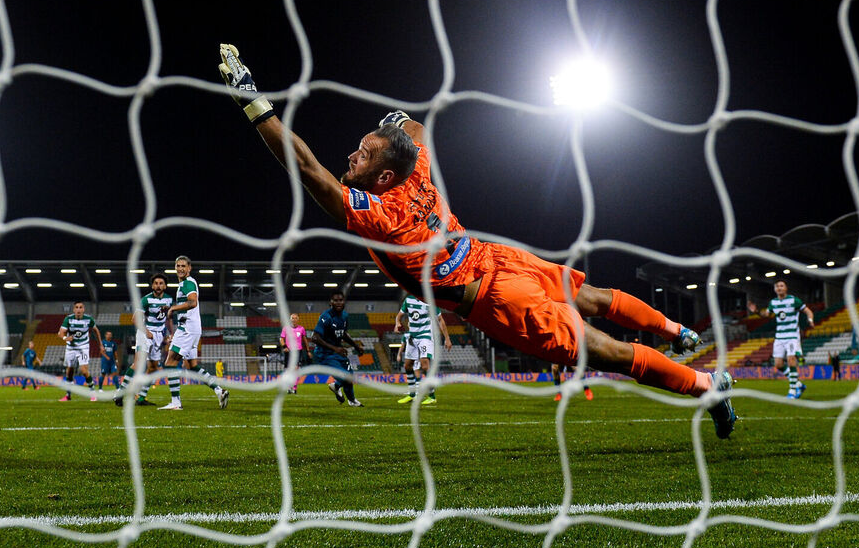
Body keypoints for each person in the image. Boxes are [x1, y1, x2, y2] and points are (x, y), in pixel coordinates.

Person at [216, 43, 736, 437]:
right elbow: (416, 132)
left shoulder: (380, 217)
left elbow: (307, 169)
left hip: (495, 294)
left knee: (603, 351)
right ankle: (675, 331)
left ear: (381, 179)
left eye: (363, 153)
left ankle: (706, 387)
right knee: (593, 298)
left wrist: (250, 98)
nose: (351, 156)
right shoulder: (417, 171)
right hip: (495, 254)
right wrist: (394, 126)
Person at [157, 255, 229, 411]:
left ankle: (175, 402)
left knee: (169, 363)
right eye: (178, 266)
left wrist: (173, 308)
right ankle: (219, 391)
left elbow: (192, 302)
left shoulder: (188, 283)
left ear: (189, 268)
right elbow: (187, 304)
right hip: (192, 328)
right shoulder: (184, 284)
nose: (181, 269)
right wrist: (171, 309)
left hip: (187, 329)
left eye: (184, 266)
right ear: (175, 268)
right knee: (191, 365)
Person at [748, 280, 814, 399]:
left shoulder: (794, 300)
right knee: (778, 364)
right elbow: (766, 315)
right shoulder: (773, 302)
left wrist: (810, 320)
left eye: (781, 285)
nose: (779, 288)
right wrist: (757, 311)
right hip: (779, 337)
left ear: (786, 288)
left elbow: (808, 311)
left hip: (792, 336)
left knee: (791, 360)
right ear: (775, 289)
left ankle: (793, 391)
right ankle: (798, 384)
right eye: (777, 286)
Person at [116, 272, 173, 407]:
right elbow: (135, 319)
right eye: (156, 283)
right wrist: (146, 332)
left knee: (153, 368)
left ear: (165, 286)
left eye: (161, 283)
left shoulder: (169, 300)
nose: (158, 286)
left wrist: (172, 333)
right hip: (144, 333)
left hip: (159, 335)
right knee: (138, 364)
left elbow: (168, 318)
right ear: (152, 286)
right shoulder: (146, 300)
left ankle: (141, 398)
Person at [310, 291, 365, 407]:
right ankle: (337, 386)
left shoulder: (345, 316)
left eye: (341, 300)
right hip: (325, 354)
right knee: (345, 377)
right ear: (331, 302)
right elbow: (314, 337)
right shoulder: (326, 316)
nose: (338, 303)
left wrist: (356, 346)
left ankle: (351, 399)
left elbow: (343, 333)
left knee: (350, 377)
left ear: (344, 301)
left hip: (338, 352)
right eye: (336, 300)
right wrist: (335, 348)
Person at [396, 293, 451, 404]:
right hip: (412, 337)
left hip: (425, 336)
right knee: (407, 365)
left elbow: (440, 320)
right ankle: (412, 394)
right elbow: (399, 315)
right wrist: (397, 323)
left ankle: (432, 396)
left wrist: (447, 338)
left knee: (425, 364)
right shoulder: (408, 300)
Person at [58, 300, 98, 402]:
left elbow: (96, 331)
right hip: (71, 348)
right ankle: (68, 395)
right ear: (73, 309)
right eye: (77, 307)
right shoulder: (68, 319)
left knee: (84, 371)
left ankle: (93, 393)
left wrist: (100, 345)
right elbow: (61, 333)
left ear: (83, 309)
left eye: (81, 307)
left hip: (83, 347)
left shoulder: (88, 319)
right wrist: (65, 338)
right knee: (69, 372)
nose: (79, 309)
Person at [278, 315, 308, 393]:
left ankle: (294, 388)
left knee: (296, 369)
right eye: (292, 318)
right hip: (288, 351)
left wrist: (308, 351)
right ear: (290, 319)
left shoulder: (301, 329)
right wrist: (284, 346)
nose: (294, 320)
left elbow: (305, 340)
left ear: (298, 319)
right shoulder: (286, 328)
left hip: (298, 351)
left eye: (295, 318)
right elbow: (281, 339)